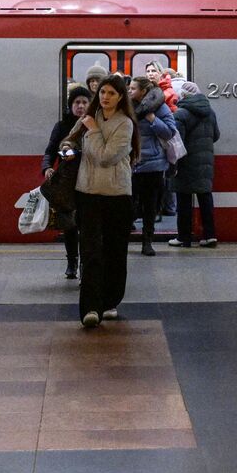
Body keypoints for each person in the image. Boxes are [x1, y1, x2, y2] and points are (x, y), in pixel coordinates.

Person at [75, 73, 138, 328]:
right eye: (102, 92)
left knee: (114, 251)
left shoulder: (125, 124)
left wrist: (92, 131)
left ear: (121, 97)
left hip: (116, 195)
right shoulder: (90, 118)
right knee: (90, 251)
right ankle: (90, 307)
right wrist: (67, 148)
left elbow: (106, 157)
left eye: (111, 93)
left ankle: (110, 301)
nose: (105, 97)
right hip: (87, 192)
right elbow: (69, 139)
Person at [43, 85, 92, 279]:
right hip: (68, 181)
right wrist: (47, 168)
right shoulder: (62, 125)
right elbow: (51, 150)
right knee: (69, 223)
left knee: (87, 224)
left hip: (89, 179)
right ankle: (72, 261)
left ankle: (85, 263)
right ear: (71, 105)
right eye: (76, 102)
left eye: (84, 102)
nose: (80, 106)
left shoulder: (93, 123)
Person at [128, 75, 177, 256]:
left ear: (144, 91)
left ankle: (147, 241)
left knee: (150, 206)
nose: (129, 91)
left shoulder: (159, 107)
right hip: (131, 163)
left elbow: (170, 132)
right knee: (129, 204)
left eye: (133, 89)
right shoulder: (126, 107)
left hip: (153, 165)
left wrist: (152, 120)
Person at [169, 81, 220, 248]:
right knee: (205, 197)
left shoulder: (181, 114)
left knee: (183, 199)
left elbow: (177, 141)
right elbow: (216, 135)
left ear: (183, 95)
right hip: (206, 161)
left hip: (185, 162)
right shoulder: (210, 112)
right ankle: (210, 235)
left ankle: (184, 237)